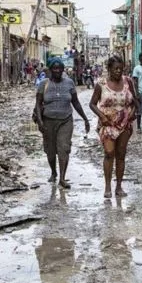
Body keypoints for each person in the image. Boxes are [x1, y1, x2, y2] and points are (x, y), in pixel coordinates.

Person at [35, 57, 90, 189]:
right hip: (48, 122)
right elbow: (37, 104)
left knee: (64, 148)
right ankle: (53, 172)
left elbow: (75, 102)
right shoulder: (43, 84)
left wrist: (85, 118)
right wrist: (40, 122)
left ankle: (62, 178)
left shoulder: (69, 83)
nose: (57, 71)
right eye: (54, 68)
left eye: (60, 68)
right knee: (50, 151)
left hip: (65, 120)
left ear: (63, 70)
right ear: (50, 70)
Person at [90, 56, 138, 198]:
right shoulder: (101, 84)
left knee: (121, 154)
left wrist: (132, 114)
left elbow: (135, 101)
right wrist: (102, 116)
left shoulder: (128, 82)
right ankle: (107, 186)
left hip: (124, 124)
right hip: (108, 124)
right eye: (115, 69)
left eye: (120, 69)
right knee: (109, 153)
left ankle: (119, 187)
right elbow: (92, 104)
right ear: (109, 69)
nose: (118, 71)